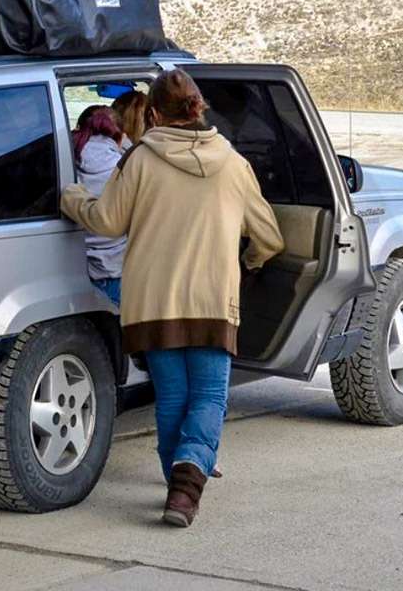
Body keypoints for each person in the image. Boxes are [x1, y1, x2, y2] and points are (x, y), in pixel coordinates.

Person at [61, 69, 283, 528]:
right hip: (211, 299)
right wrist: (251, 263)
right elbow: (269, 237)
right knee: (207, 398)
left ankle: (178, 487)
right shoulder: (233, 163)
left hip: (153, 301)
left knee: (173, 399)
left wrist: (72, 197)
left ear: (156, 113)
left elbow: (105, 221)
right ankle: (186, 485)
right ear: (198, 108)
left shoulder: (139, 159)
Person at [70, 106, 127, 306]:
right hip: (116, 269)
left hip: (74, 268)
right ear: (120, 137)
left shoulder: (65, 162)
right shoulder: (125, 168)